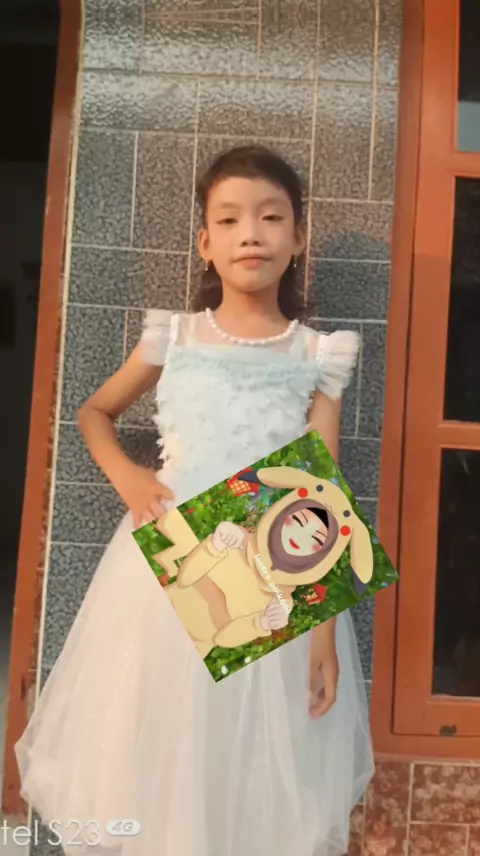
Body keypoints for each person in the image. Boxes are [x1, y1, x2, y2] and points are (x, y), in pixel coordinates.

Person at [15, 146, 374, 856]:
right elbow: (94, 412)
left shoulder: (316, 354)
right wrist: (127, 476)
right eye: (230, 220)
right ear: (206, 243)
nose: (251, 234)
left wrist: (325, 634)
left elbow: (323, 492)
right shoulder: (173, 336)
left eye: (271, 218)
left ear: (298, 237)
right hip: (167, 565)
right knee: (160, 737)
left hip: (266, 577)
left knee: (248, 759)